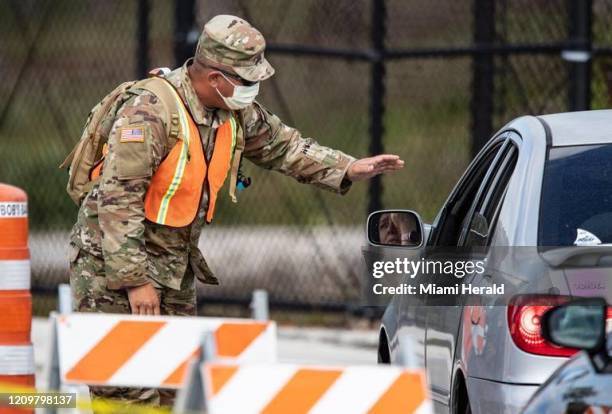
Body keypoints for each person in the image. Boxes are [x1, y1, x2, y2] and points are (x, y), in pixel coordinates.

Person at [68, 14, 404, 406]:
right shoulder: (150, 111)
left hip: (174, 266)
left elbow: (284, 146)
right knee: (124, 389)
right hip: (114, 266)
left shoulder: (233, 110)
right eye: (246, 80)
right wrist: (134, 280)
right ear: (215, 78)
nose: (253, 89)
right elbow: (118, 196)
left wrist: (347, 167)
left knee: (178, 388)